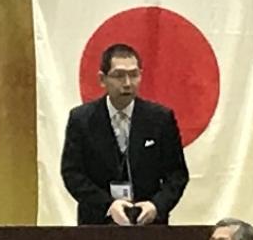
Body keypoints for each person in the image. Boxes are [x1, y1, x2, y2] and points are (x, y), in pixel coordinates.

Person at [60, 43, 189, 225]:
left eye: (134, 75)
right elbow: (72, 173)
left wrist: (157, 206)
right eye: (119, 75)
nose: (127, 83)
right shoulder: (81, 119)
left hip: (148, 222)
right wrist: (107, 205)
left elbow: (177, 174)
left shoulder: (160, 119)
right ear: (102, 79)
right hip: (97, 222)